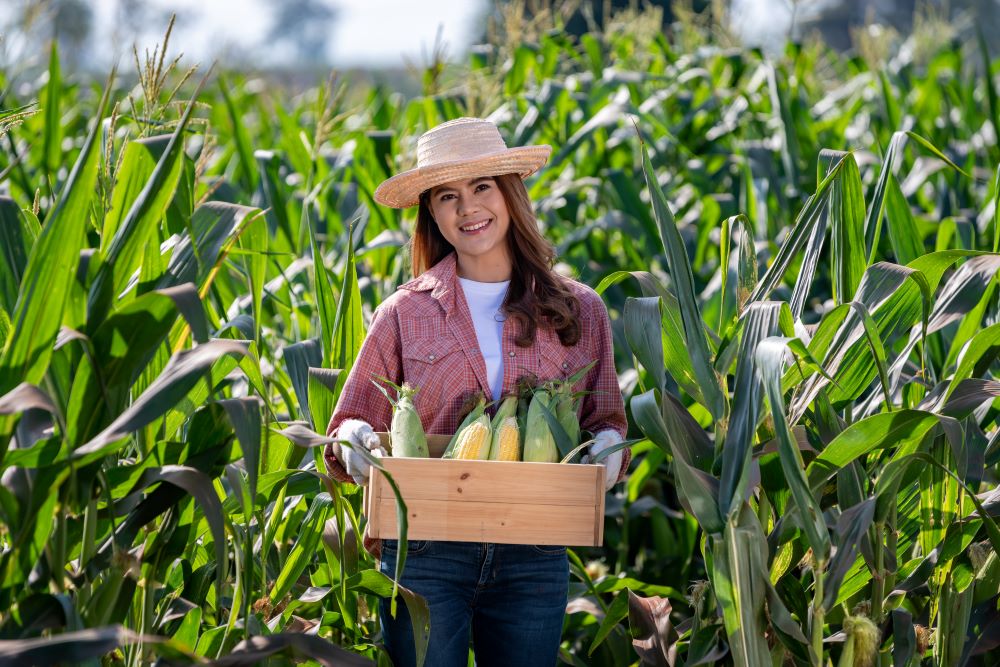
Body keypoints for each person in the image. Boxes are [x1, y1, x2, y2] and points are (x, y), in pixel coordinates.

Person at [323, 117, 630, 667]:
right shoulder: (405, 312)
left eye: (482, 187)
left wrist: (608, 451)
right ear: (432, 213)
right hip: (423, 546)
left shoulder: (580, 310)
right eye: (448, 196)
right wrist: (355, 440)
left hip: (533, 550)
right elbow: (350, 419)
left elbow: (605, 417)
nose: (468, 208)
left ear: (509, 193)